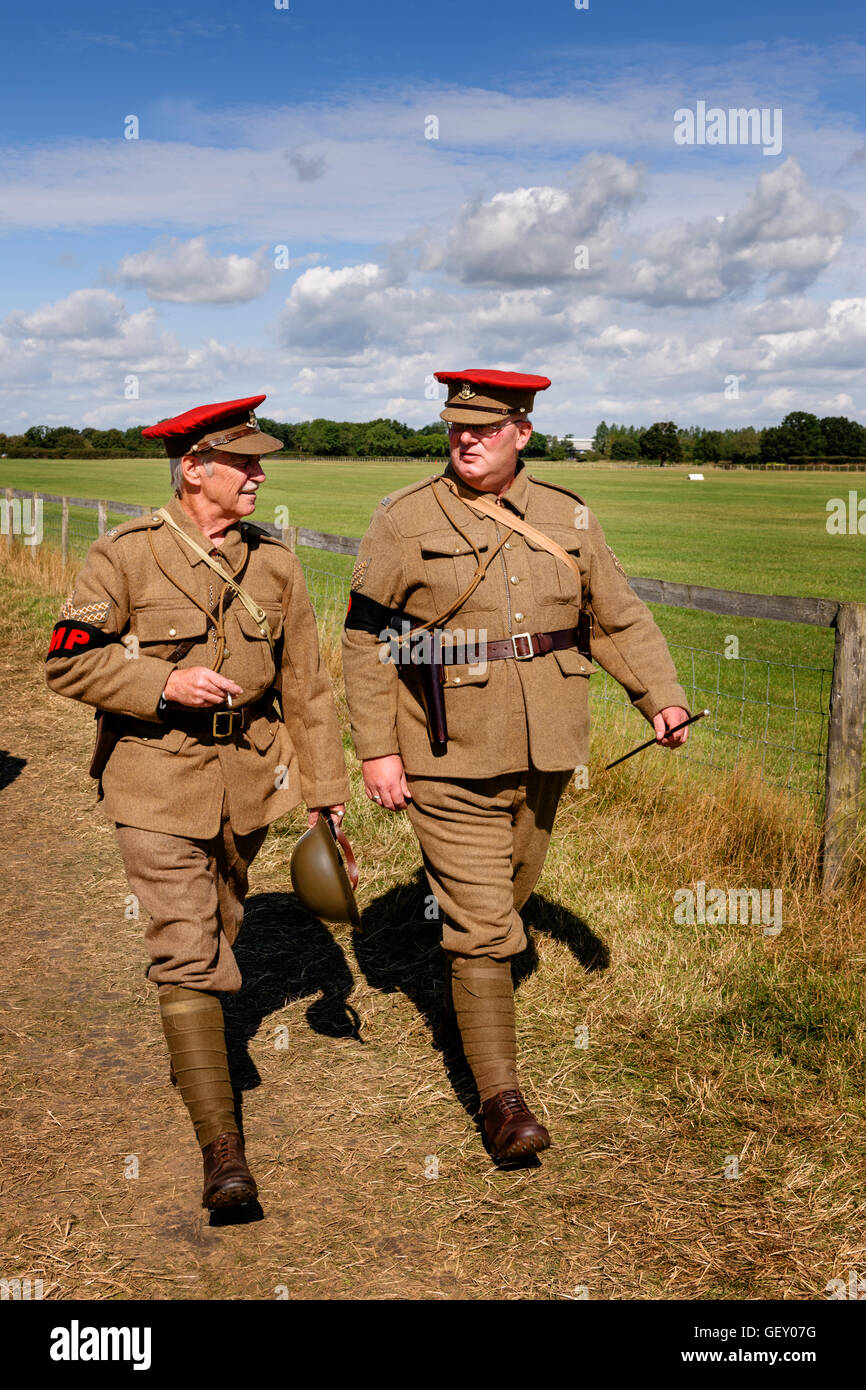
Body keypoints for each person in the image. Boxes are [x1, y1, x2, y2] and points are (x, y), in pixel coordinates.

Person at [342, 369, 690, 1162]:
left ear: (521, 434)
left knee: (510, 895)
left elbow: (615, 617)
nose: (467, 439)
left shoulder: (568, 516)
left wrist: (659, 698)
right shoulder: (404, 518)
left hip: (546, 751)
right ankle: (504, 1102)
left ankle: (470, 986)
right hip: (444, 748)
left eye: (486, 429)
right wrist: (378, 748)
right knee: (487, 927)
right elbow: (365, 640)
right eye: (456, 427)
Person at [46, 395, 349, 1208]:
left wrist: (326, 796)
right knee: (186, 945)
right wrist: (160, 682)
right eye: (243, 461)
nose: (258, 474)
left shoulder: (276, 564)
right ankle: (224, 1153)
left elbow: (308, 688)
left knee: (223, 925)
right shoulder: (124, 556)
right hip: (152, 775)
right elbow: (67, 662)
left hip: (249, 778)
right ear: (194, 468)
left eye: (259, 462)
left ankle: (201, 1040)